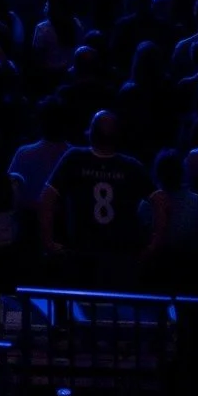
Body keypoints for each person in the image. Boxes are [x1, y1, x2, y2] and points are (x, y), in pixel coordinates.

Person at [40, 110, 151, 288]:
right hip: (119, 254)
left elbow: (46, 198)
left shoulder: (74, 158)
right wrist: (152, 246)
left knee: (82, 308)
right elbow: (161, 201)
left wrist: (48, 241)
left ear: (91, 133)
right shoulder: (131, 165)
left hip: (82, 252)